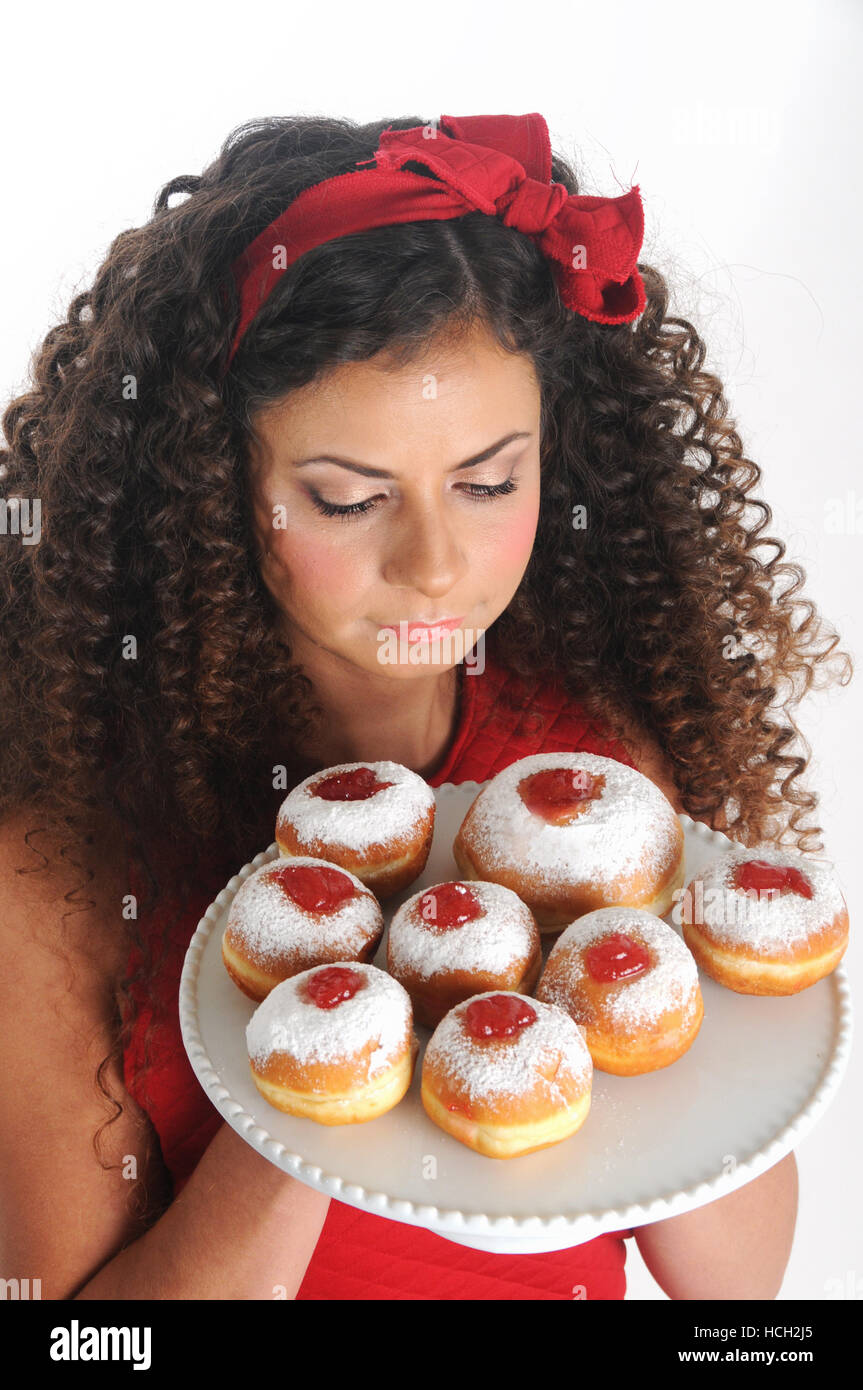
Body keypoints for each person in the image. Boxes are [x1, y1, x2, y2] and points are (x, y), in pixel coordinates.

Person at [0, 112, 848, 1301]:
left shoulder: (588, 787)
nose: (437, 566)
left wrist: (671, 996)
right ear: (210, 486)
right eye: (349, 499)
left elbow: (734, 1297)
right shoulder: (63, 867)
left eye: (488, 479)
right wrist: (330, 1061)